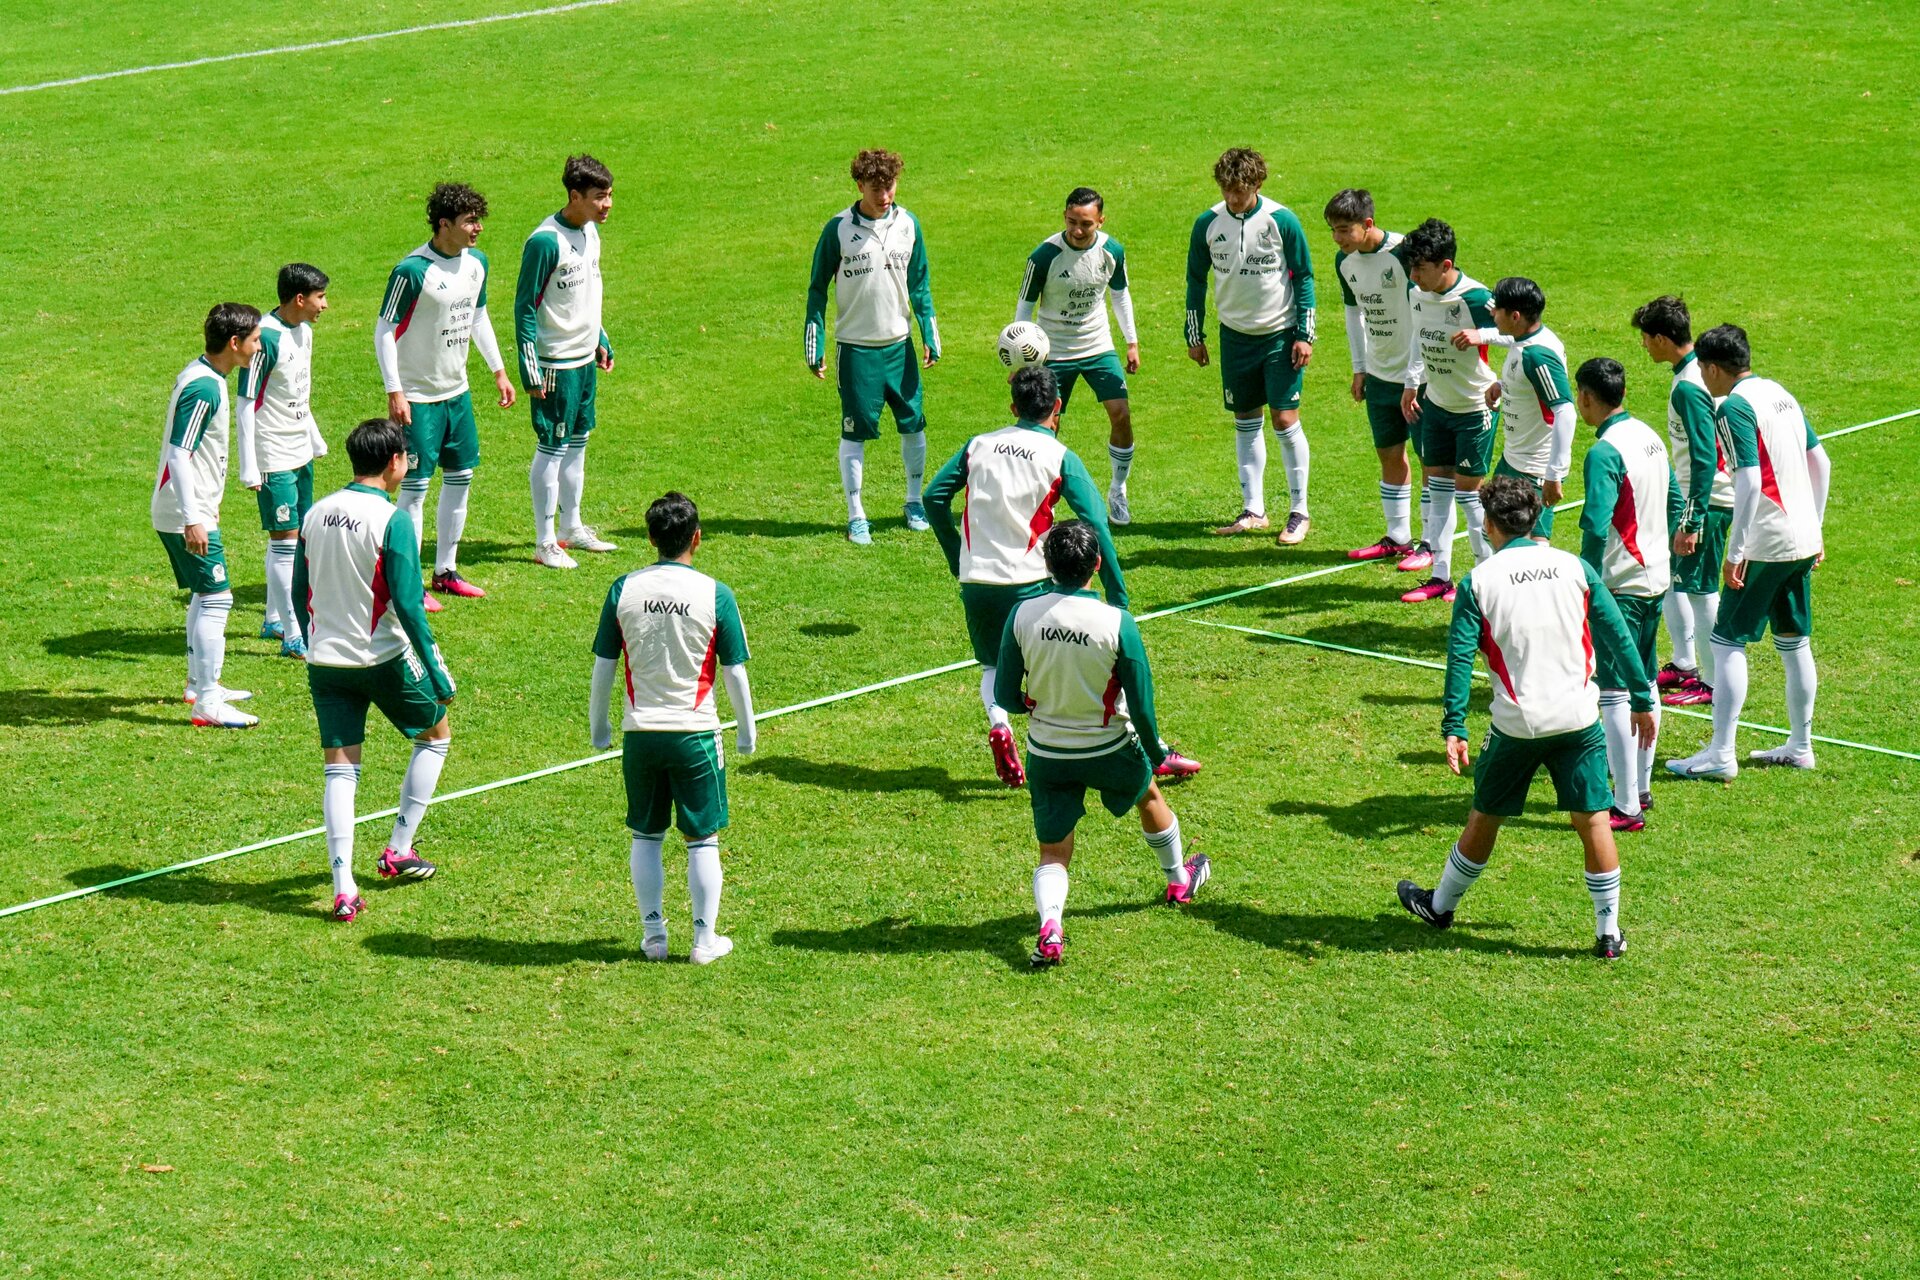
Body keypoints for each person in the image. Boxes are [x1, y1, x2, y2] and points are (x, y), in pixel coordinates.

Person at [1396, 475, 1654, 959]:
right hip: (1580, 720)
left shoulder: (1480, 581)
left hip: (1518, 726)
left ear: (1490, 524)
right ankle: (1608, 934)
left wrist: (1454, 725)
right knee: (1594, 821)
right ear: (1535, 518)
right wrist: (1641, 694)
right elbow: (1617, 633)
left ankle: (1441, 907)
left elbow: (1458, 659)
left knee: (1485, 816)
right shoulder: (1573, 567)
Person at [996, 521, 1211, 968]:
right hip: (1108, 747)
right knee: (1148, 795)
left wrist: (1033, 705)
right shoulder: (1117, 622)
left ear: (1047, 565)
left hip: (1048, 752)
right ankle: (1177, 881)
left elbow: (1003, 695)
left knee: (1053, 851)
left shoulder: (1022, 614)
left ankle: (1051, 925)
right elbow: (1143, 703)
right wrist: (1155, 754)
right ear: (1096, 564)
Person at [924, 366, 1126, 786]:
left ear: (1014, 407)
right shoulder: (1059, 456)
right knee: (1047, 663)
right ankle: (1062, 747)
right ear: (1057, 406)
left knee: (992, 667)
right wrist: (1117, 593)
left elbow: (932, 497)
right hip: (1030, 583)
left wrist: (956, 554)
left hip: (977, 580)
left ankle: (1000, 724)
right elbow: (1095, 523)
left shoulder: (978, 445)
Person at [292, 419, 457, 922]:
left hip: (325, 661)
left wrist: (311, 638)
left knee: (340, 770)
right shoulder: (393, 520)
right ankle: (398, 848)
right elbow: (409, 605)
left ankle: (343, 888)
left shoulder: (315, 513)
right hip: (380, 656)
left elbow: (299, 590)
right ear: (394, 463)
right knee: (435, 735)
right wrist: (437, 670)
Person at [590, 493, 755, 964]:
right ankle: (704, 941)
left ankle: (654, 937)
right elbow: (735, 670)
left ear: (650, 538)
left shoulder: (624, 588)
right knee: (702, 838)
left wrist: (599, 725)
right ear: (696, 539)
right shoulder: (715, 593)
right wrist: (746, 730)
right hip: (695, 734)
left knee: (646, 835)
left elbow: (604, 663)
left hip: (640, 734)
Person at [1668, 325, 1830, 780]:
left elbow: (1750, 480)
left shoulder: (1734, 406)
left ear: (1715, 368)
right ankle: (1801, 745)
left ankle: (1722, 754)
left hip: (1767, 540)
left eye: (1703, 368)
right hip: (1801, 537)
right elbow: (1822, 461)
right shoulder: (1781, 393)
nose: (1702, 376)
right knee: (1794, 640)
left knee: (1725, 641)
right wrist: (1814, 528)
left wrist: (1737, 548)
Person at [375, 181, 516, 609]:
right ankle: (408, 582)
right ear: (443, 225)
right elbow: (384, 329)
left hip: (458, 393)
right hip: (418, 396)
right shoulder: (413, 271)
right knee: (413, 489)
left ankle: (446, 571)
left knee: (461, 479)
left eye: (479, 220)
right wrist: (395, 389)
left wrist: (498, 370)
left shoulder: (477, 265)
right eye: (470, 221)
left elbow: (477, 317)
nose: (478, 229)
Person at [804, 148, 941, 546]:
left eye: (890, 186)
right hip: (857, 350)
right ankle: (856, 514)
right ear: (859, 185)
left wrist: (929, 334)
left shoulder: (908, 224)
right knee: (855, 432)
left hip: (900, 346)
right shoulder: (839, 229)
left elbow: (920, 284)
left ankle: (914, 502)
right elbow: (817, 289)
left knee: (914, 424)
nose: (884, 195)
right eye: (876, 188)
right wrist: (814, 345)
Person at [1184, 147, 1316, 545]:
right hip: (1234, 336)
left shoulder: (1281, 221)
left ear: (1257, 184)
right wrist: (1195, 335)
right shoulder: (1208, 222)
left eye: (1239, 191)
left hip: (1279, 334)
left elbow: (1304, 276)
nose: (1232, 198)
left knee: (1284, 419)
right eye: (1226, 190)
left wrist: (1304, 335)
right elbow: (1195, 279)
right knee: (1245, 418)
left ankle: (1299, 511)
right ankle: (1254, 509)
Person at [1573, 358, 1674, 831]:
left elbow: (1595, 524)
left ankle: (1626, 804)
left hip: (1619, 586)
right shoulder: (1650, 435)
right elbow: (1674, 499)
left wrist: (1585, 581)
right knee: (1646, 679)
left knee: (1613, 691)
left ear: (1588, 397)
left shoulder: (1604, 453)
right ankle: (1642, 787)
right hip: (1656, 577)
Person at [152, 302, 262, 728]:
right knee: (218, 597)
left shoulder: (203, 375)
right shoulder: (206, 387)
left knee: (205, 594)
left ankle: (200, 685)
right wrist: (193, 517)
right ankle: (208, 701)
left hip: (184, 507)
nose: (257, 347)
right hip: (185, 511)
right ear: (234, 344)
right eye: (253, 340)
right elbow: (180, 453)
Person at [1015, 186, 1140, 524]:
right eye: (1071, 222)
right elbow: (1025, 306)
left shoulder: (1112, 251)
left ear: (1101, 220)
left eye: (1086, 223)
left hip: (1097, 345)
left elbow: (1120, 295)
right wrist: (1021, 358)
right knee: (1046, 426)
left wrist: (1131, 342)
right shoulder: (1044, 256)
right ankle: (1041, 496)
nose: (1077, 230)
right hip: (1053, 349)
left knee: (1121, 415)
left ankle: (1118, 490)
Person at [516, 154, 617, 569]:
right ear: (575, 196)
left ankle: (571, 526)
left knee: (578, 444)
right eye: (599, 197)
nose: (607, 204)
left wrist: (600, 338)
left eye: (610, 195)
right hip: (555, 363)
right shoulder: (545, 242)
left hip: (583, 360)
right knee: (553, 448)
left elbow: (588, 292)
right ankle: (544, 542)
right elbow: (524, 306)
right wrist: (529, 367)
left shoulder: (591, 232)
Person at [1633, 295, 1731, 707]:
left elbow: (1706, 455)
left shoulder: (1690, 386)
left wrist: (1692, 520)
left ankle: (1711, 684)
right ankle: (1686, 662)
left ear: (1661, 338)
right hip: (1698, 498)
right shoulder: (1691, 374)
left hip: (1709, 502)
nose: (1644, 347)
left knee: (1702, 590)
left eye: (1646, 339)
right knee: (1676, 580)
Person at [1397, 219, 1499, 603]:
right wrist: (1411, 383)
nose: (1413, 275)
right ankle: (1440, 576)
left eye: (1420, 268)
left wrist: (1482, 335)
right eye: (1411, 267)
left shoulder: (1476, 299)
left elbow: (1521, 334)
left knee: (1470, 497)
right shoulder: (1416, 292)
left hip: (1474, 408)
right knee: (1437, 492)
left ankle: (1482, 577)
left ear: (1446, 265)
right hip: (1436, 404)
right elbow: (1419, 337)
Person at [238, 263, 330, 658]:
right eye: (320, 297)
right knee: (285, 541)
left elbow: (297, 390)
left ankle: (274, 618)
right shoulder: (266, 338)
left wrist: (313, 434)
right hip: (272, 451)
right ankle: (293, 632)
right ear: (299, 299)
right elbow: (246, 402)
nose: (324, 305)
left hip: (299, 450)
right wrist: (248, 464)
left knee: (295, 537)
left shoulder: (304, 332)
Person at [1325, 189, 1418, 563]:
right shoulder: (1344, 262)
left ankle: (1429, 545)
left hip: (1418, 377)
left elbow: (1424, 310)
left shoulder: (1404, 254)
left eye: (1345, 229)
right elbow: (1354, 314)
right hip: (1379, 374)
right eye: (1333, 230)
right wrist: (1359, 367)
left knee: (1432, 462)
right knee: (1388, 453)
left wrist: (1415, 375)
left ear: (1368, 224)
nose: (1338, 238)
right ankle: (1398, 537)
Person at [1487, 277, 1574, 539]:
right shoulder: (1522, 341)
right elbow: (1535, 385)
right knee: (1491, 531)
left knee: (1531, 544)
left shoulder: (1537, 354)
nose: (1492, 313)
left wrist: (1554, 474)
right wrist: (1504, 385)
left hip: (1534, 468)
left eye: (1497, 309)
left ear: (1515, 316)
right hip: (1514, 458)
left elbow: (1564, 410)